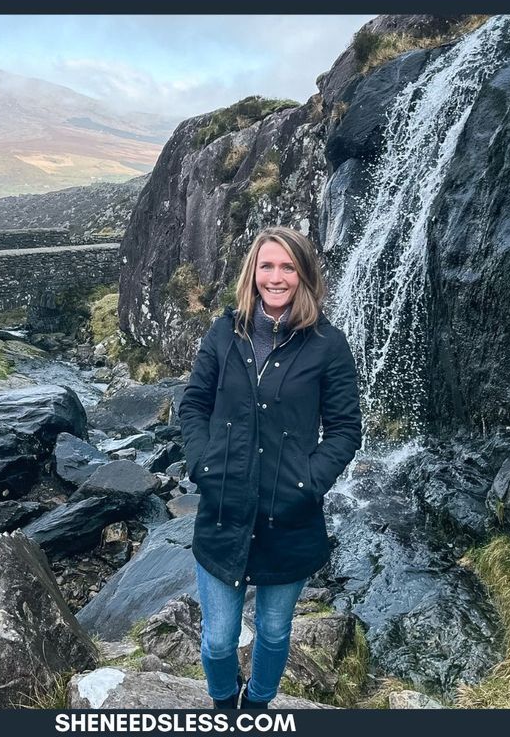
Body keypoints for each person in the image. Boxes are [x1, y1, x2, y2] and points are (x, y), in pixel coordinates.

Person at [178, 226, 362, 711]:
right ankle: (224, 705)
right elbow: (194, 404)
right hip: (224, 508)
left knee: (276, 632)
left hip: (290, 514)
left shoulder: (328, 344)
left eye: (287, 267)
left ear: (303, 275)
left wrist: (308, 483)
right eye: (267, 266)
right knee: (218, 641)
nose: (275, 277)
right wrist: (202, 463)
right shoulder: (224, 333)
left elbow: (345, 429)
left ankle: (257, 707)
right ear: (252, 271)